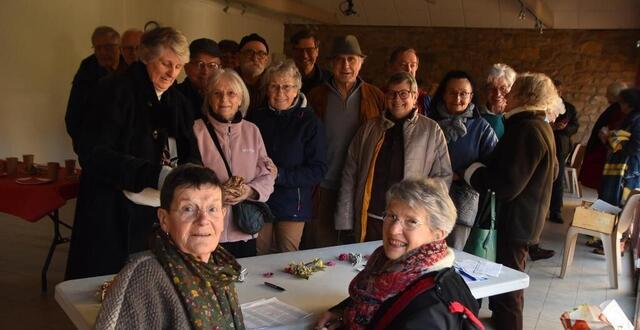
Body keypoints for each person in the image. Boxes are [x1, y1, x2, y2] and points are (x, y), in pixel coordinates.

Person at [66, 26, 202, 280]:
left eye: (179, 66)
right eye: (166, 64)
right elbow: (94, 153)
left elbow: (189, 150)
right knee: (111, 287)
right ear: (147, 57)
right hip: (115, 213)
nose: (172, 73)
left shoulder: (179, 101)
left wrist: (191, 174)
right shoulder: (113, 91)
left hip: (163, 213)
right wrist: (155, 175)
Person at [315, 178, 482, 330]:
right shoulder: (388, 266)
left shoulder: (432, 306)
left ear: (437, 235)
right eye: (392, 216)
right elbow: (379, 301)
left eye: (411, 221)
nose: (393, 230)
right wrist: (343, 312)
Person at [94, 165, 244, 329]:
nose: (203, 220)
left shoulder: (222, 268)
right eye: (188, 209)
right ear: (164, 219)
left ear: (222, 216)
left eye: (212, 209)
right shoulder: (144, 277)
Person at [464, 72, 558, 330]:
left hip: (516, 222)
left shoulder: (527, 128)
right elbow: (555, 171)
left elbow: (507, 185)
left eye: (512, 90)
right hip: (527, 218)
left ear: (525, 95)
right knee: (506, 281)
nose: (506, 95)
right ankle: (500, 320)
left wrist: (472, 172)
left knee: (510, 289)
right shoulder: (539, 124)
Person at [335, 72, 452, 243]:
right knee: (366, 266)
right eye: (391, 93)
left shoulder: (431, 131)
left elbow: (442, 179)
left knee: (401, 267)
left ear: (414, 96)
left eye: (403, 93)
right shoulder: (369, 129)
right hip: (371, 216)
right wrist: (345, 220)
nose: (397, 99)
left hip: (409, 223)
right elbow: (350, 174)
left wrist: (423, 216)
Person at [305, 34, 385, 248]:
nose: (346, 65)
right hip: (323, 186)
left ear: (361, 62)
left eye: (352, 59)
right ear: (331, 63)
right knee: (320, 246)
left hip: (360, 187)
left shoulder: (376, 96)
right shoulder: (316, 96)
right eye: (340, 59)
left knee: (355, 248)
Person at [193, 68, 275, 258]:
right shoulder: (196, 130)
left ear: (241, 99)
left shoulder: (252, 131)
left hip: (244, 228)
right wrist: (218, 194)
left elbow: (267, 174)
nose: (224, 100)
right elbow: (187, 177)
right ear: (209, 99)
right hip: (207, 229)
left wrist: (248, 191)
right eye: (217, 93)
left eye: (231, 93)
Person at [248, 60, 327, 254]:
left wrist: (280, 174)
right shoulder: (255, 118)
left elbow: (318, 170)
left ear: (296, 90)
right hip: (259, 200)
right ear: (267, 89)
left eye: (286, 87)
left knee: (287, 259)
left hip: (293, 203)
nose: (279, 92)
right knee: (258, 256)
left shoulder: (310, 122)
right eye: (274, 86)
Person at [429, 70, 497, 250]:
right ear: (443, 93)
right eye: (452, 92)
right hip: (429, 198)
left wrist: (462, 174)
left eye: (463, 93)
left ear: (471, 96)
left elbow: (493, 165)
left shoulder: (482, 128)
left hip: (463, 201)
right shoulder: (429, 123)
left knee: (453, 255)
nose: (457, 98)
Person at [65, 26, 126, 154]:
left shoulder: (129, 66)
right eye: (98, 48)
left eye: (108, 47)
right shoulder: (88, 68)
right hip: (94, 147)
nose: (102, 52)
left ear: (119, 47)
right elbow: (74, 113)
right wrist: (83, 145)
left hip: (125, 148)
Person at [580, 82, 629, 189]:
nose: (606, 96)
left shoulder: (618, 111)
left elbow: (614, 134)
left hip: (603, 153)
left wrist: (605, 135)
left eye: (608, 94)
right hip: (601, 150)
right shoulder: (615, 109)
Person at [598, 88, 640, 206]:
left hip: (628, 168)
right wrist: (607, 138)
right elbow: (619, 139)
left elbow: (636, 146)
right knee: (611, 200)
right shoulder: (628, 118)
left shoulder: (637, 120)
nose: (620, 105)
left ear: (629, 103)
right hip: (619, 164)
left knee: (620, 201)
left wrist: (610, 138)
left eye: (621, 102)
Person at [548, 79, 579, 224]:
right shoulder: (545, 105)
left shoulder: (569, 108)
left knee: (558, 179)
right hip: (546, 143)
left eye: (559, 91)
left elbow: (575, 126)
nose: (557, 93)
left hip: (561, 145)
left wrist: (563, 129)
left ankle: (555, 211)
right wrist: (552, 127)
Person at [177, 38, 222, 120]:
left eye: (212, 65)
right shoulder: (174, 96)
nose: (205, 71)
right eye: (199, 64)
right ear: (186, 66)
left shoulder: (225, 97)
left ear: (220, 69)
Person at [387, 47, 431, 115]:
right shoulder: (379, 95)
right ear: (391, 67)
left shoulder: (424, 99)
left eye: (412, 65)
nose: (408, 70)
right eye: (403, 65)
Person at [478, 63, 517, 139]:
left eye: (503, 88)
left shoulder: (516, 116)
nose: (498, 94)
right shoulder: (477, 115)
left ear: (510, 89)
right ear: (485, 90)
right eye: (492, 88)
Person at [289, 28, 331, 94]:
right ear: (293, 52)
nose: (305, 55)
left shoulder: (330, 81)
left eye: (309, 50)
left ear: (317, 51)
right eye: (300, 50)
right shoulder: (283, 80)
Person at [237, 33, 270, 117]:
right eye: (249, 53)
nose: (255, 58)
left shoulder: (273, 81)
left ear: (266, 60)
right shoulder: (229, 80)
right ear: (239, 57)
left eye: (261, 54)